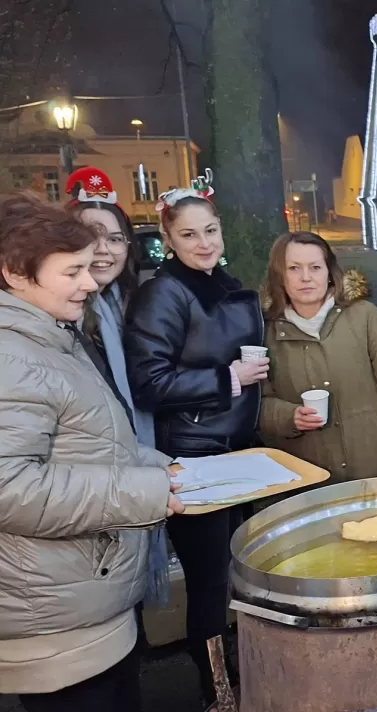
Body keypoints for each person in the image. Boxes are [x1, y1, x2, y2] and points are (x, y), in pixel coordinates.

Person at [0, 193, 182, 712]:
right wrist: (146, 492)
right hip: (55, 629)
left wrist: (160, 469)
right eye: (73, 270)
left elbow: (90, 444)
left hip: (84, 608)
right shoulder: (12, 356)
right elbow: (9, 488)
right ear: (16, 272)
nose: (90, 282)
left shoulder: (52, 338)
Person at [124, 173, 265, 712]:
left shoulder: (225, 283)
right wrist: (227, 380)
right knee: (208, 585)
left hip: (238, 449)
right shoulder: (163, 293)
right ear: (170, 238)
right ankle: (218, 691)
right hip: (195, 457)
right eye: (189, 235)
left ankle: (243, 668)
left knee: (236, 573)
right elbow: (149, 383)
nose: (203, 243)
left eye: (210, 230)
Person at [66, 168, 171, 613]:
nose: (104, 250)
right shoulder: (66, 317)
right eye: (93, 237)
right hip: (90, 490)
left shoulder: (122, 305)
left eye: (115, 239)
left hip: (130, 468)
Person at [259, 231, 377, 481]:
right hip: (307, 477)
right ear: (280, 276)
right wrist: (288, 417)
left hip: (376, 468)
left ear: (329, 273)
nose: (306, 277)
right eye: (294, 268)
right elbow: (257, 403)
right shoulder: (266, 331)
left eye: (315, 267)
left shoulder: (364, 317)